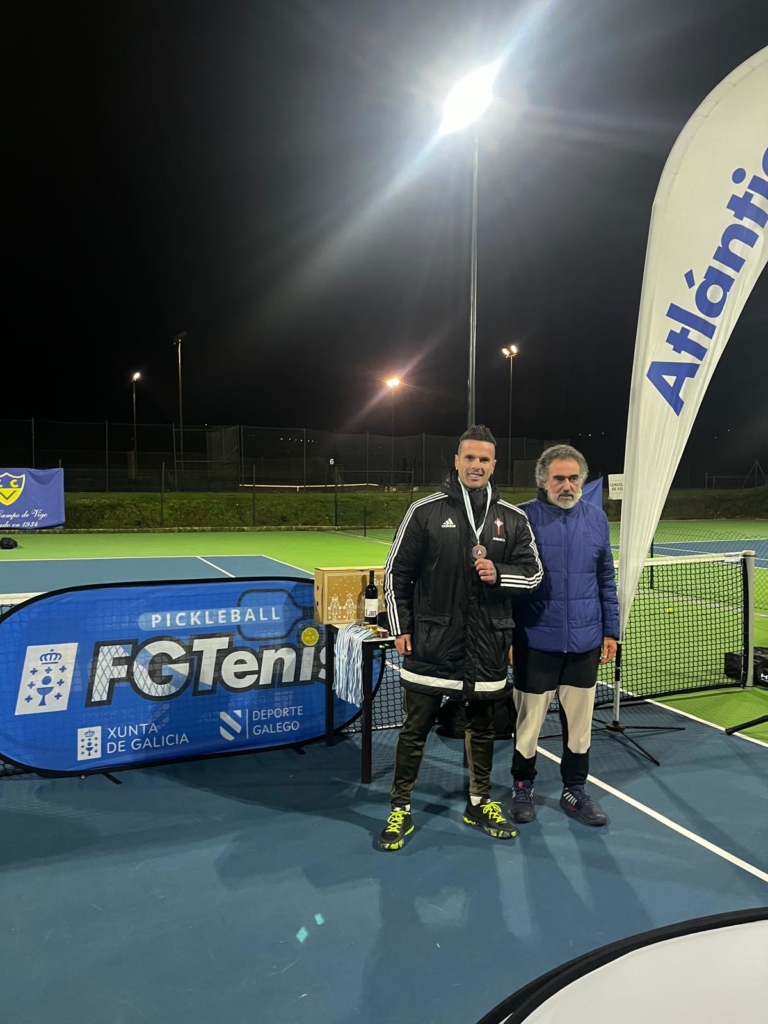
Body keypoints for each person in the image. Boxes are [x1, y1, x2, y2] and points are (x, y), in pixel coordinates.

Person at [380, 424, 543, 850]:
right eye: (469, 457)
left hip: (488, 645)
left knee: (483, 730)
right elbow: (396, 573)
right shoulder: (424, 511)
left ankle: (479, 802)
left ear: (494, 465)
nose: (476, 465)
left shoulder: (513, 518)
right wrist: (401, 627)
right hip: (431, 643)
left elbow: (534, 574)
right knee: (414, 730)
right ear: (456, 461)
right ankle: (400, 808)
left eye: (484, 459)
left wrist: (499, 573)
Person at [509, 444, 619, 827]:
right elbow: (509, 584)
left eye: (573, 478)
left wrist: (611, 631)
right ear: (544, 481)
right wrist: (509, 636)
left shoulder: (597, 519)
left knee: (580, 727)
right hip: (534, 642)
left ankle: (575, 789)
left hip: (585, 644)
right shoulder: (521, 518)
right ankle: (522, 785)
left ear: (582, 481)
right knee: (528, 724)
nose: (567, 485)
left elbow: (606, 579)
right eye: (559, 478)